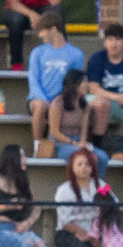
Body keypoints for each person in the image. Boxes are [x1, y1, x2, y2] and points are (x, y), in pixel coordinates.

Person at [26, 10, 84, 147]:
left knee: (60, 105)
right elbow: (33, 80)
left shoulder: (76, 54)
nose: (40, 35)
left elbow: (75, 81)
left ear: (53, 29)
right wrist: (45, 100)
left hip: (62, 99)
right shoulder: (37, 52)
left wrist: (61, 98)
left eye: (42, 31)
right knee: (40, 106)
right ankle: (37, 146)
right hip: (38, 98)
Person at [53, 148, 105, 247]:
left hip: (95, 230)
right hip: (68, 232)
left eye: (87, 164)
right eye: (79, 164)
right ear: (72, 167)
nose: (84, 168)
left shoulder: (100, 184)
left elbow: (112, 204)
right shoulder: (64, 190)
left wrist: (99, 233)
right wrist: (89, 237)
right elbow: (64, 221)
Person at [49, 69, 110, 175]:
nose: (86, 85)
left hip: (78, 141)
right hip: (60, 144)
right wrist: (74, 143)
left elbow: (83, 129)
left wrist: (81, 143)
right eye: (83, 82)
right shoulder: (57, 103)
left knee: (103, 157)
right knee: (88, 158)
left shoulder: (85, 104)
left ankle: (99, 189)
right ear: (74, 84)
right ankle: (80, 188)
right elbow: (54, 132)